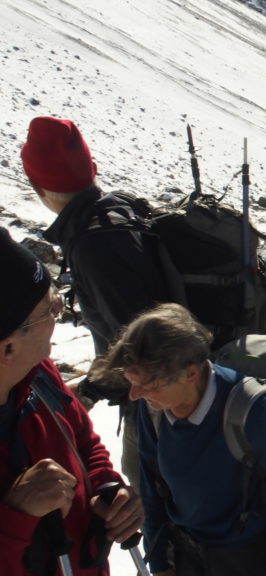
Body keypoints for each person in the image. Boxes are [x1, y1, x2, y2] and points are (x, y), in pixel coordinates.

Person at [20, 115, 181, 490]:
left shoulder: (94, 244)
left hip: (158, 396)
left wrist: (92, 391)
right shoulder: (118, 212)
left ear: (38, 185)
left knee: (151, 492)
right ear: (90, 169)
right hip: (177, 381)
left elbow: (139, 339)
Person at [90, 303, 266, 576]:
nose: (134, 395)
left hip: (245, 558)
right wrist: (159, 564)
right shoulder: (154, 410)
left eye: (147, 384)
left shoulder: (254, 411)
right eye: (131, 382)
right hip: (184, 551)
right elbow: (151, 490)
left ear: (190, 374)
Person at [1, 227, 143, 576]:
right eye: (48, 310)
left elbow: (82, 441)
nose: (57, 315)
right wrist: (15, 517)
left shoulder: (39, 374)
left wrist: (106, 486)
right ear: (8, 348)